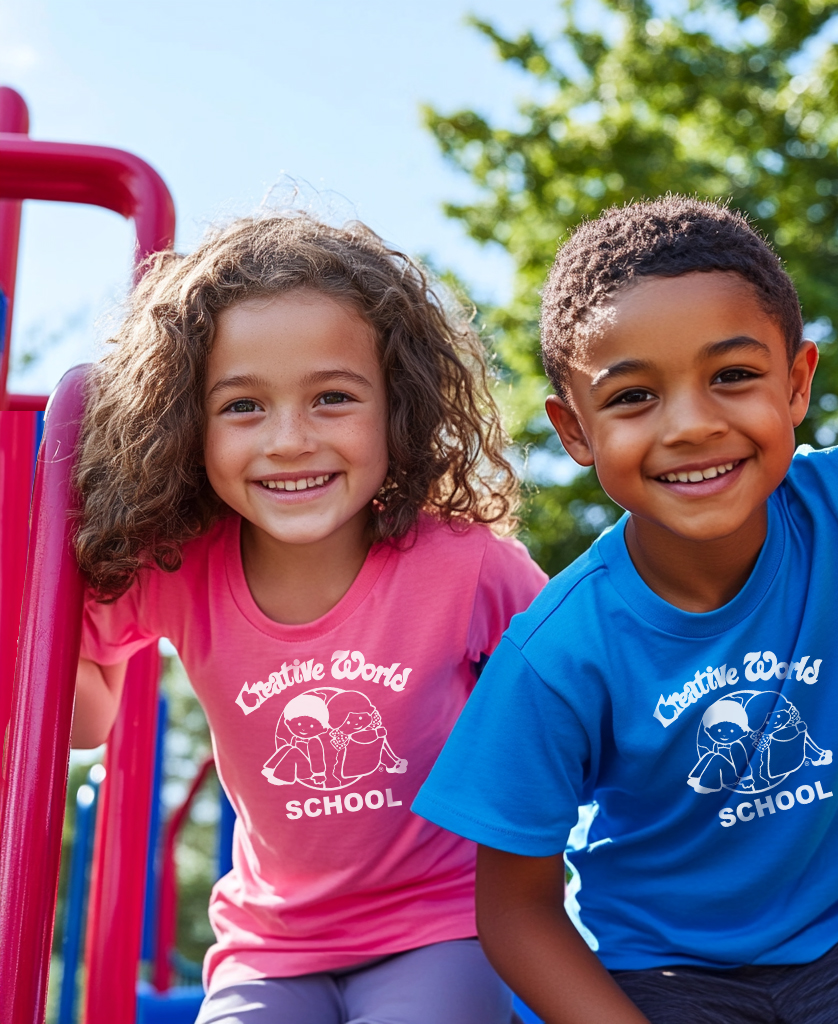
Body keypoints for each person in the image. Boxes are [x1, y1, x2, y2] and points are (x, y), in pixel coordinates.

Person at [413, 196, 838, 1024]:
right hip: (668, 972)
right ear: (576, 431)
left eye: (734, 377)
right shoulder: (557, 651)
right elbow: (514, 907)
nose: (691, 425)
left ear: (797, 383)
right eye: (634, 397)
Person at [71, 213, 547, 1024]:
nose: (290, 440)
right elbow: (88, 719)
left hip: (440, 924)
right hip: (269, 945)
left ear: (398, 405)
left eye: (332, 398)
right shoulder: (181, 567)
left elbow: (574, 693)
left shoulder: (465, 564)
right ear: (187, 426)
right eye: (243, 407)